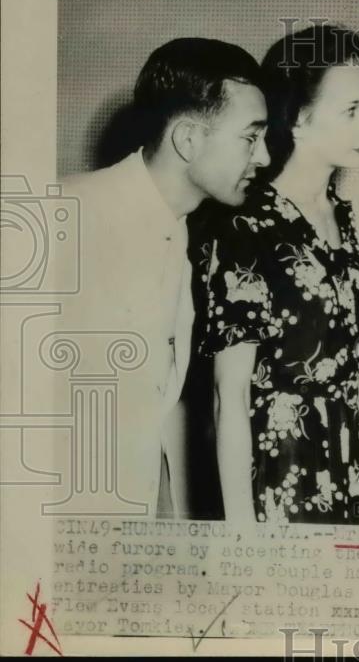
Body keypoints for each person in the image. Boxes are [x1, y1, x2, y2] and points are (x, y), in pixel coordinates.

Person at [58, 37, 270, 517]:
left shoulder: (182, 238)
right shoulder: (64, 213)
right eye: (250, 137)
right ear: (189, 139)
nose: (264, 158)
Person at [193, 24, 359, 524]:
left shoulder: (342, 215)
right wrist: (239, 533)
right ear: (297, 118)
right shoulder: (246, 224)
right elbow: (226, 394)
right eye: (351, 112)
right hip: (277, 469)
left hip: (345, 463)